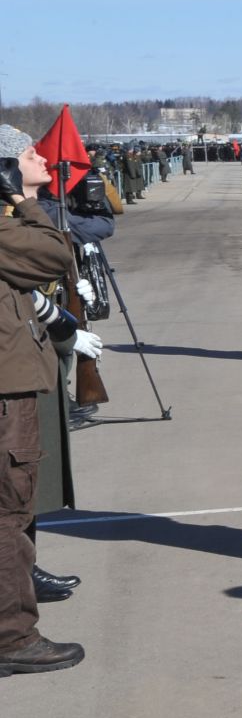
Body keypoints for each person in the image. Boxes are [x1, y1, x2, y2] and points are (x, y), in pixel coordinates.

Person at [0, 125, 88, 675]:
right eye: (25, 155)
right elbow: (57, 254)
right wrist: (21, 202)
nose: (39, 158)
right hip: (6, 395)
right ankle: (13, 639)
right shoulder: (6, 228)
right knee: (9, 515)